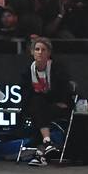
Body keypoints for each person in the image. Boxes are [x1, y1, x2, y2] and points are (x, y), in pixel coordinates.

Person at [21, 37, 72, 165]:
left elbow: (65, 89)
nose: (40, 52)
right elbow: (26, 93)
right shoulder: (28, 70)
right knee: (37, 105)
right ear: (32, 52)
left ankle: (40, 153)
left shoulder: (57, 68)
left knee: (37, 111)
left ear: (49, 53)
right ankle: (47, 144)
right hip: (39, 106)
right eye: (37, 49)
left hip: (56, 105)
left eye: (43, 50)